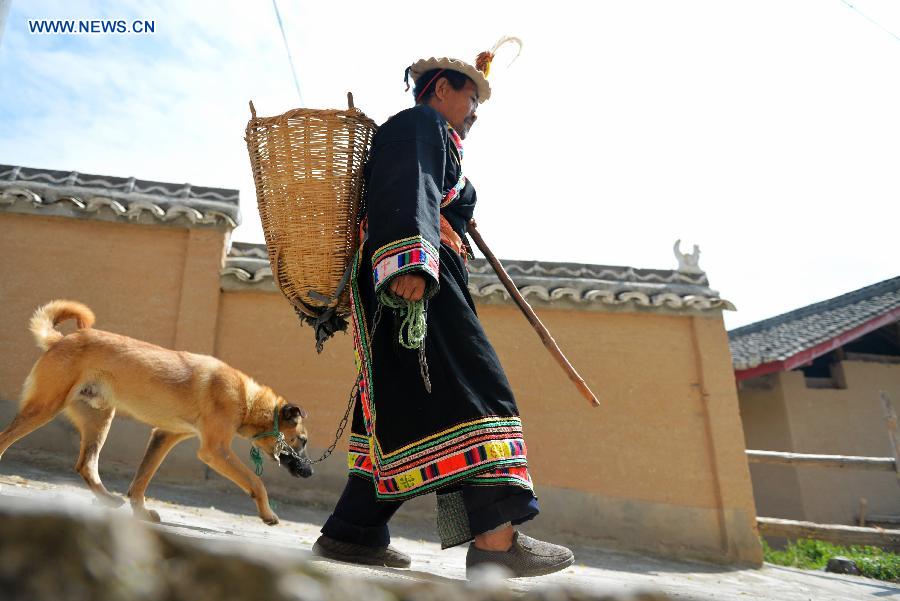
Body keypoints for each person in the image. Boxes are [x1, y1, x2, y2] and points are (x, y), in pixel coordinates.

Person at [312, 46, 575, 578]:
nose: (475, 109)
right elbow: (405, 188)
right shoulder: (416, 126)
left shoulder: (442, 142)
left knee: (400, 398)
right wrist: (409, 262)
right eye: (470, 96)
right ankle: (496, 544)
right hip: (413, 280)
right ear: (440, 89)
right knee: (479, 387)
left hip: (419, 277)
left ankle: (353, 532)